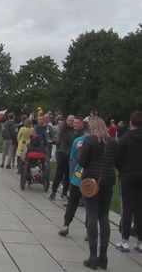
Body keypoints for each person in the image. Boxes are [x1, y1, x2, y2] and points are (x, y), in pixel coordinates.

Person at [77, 116, 117, 270]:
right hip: (108, 181)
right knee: (104, 217)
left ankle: (93, 256)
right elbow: (116, 161)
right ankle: (103, 257)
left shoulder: (90, 141)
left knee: (92, 215)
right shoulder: (113, 142)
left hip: (91, 182)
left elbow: (82, 162)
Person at [114, 111, 142, 253]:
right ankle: (140, 241)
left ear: (131, 123)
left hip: (127, 176)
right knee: (140, 208)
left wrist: (122, 170)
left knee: (127, 207)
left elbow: (117, 159)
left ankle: (124, 240)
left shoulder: (125, 139)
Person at [50, 115, 75, 200]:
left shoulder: (75, 131)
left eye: (72, 120)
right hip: (63, 154)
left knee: (68, 175)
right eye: (69, 120)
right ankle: (53, 191)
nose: (71, 122)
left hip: (70, 155)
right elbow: (66, 141)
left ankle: (64, 192)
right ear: (66, 121)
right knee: (59, 174)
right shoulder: (64, 130)